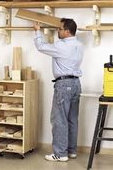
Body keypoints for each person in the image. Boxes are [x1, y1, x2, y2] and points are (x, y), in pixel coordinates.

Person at [33, 18, 83, 162]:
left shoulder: (61, 46)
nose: (57, 31)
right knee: (72, 119)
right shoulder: (79, 45)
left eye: (60, 29)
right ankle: (71, 150)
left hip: (64, 85)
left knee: (59, 120)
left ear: (67, 31)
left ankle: (60, 154)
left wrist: (37, 31)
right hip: (76, 84)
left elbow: (41, 46)